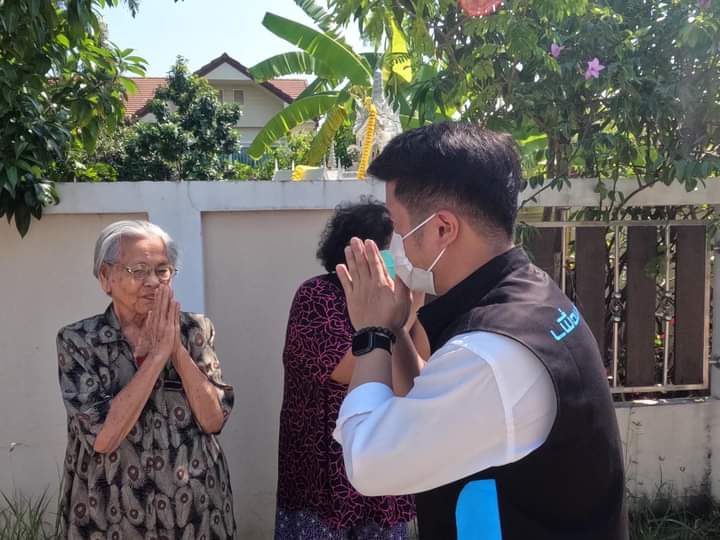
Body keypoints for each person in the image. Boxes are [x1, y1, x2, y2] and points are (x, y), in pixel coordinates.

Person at [332, 123, 628, 540]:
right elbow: (433, 399)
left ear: (442, 229)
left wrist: (371, 332)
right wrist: (396, 329)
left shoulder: (490, 355)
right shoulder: (530, 295)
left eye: (398, 229)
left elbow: (368, 463)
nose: (395, 244)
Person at [57, 220, 236, 539]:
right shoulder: (79, 342)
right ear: (105, 277)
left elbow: (213, 420)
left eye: (162, 270)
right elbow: (104, 437)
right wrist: (156, 358)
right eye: (138, 271)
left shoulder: (195, 330)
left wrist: (176, 350)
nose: (153, 281)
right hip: (110, 510)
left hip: (193, 511)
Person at [275, 199, 420, 540]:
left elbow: (416, 379)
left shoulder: (403, 297)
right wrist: (398, 320)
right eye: (387, 250)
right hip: (324, 472)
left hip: (384, 467)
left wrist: (412, 310)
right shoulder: (317, 295)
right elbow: (343, 371)